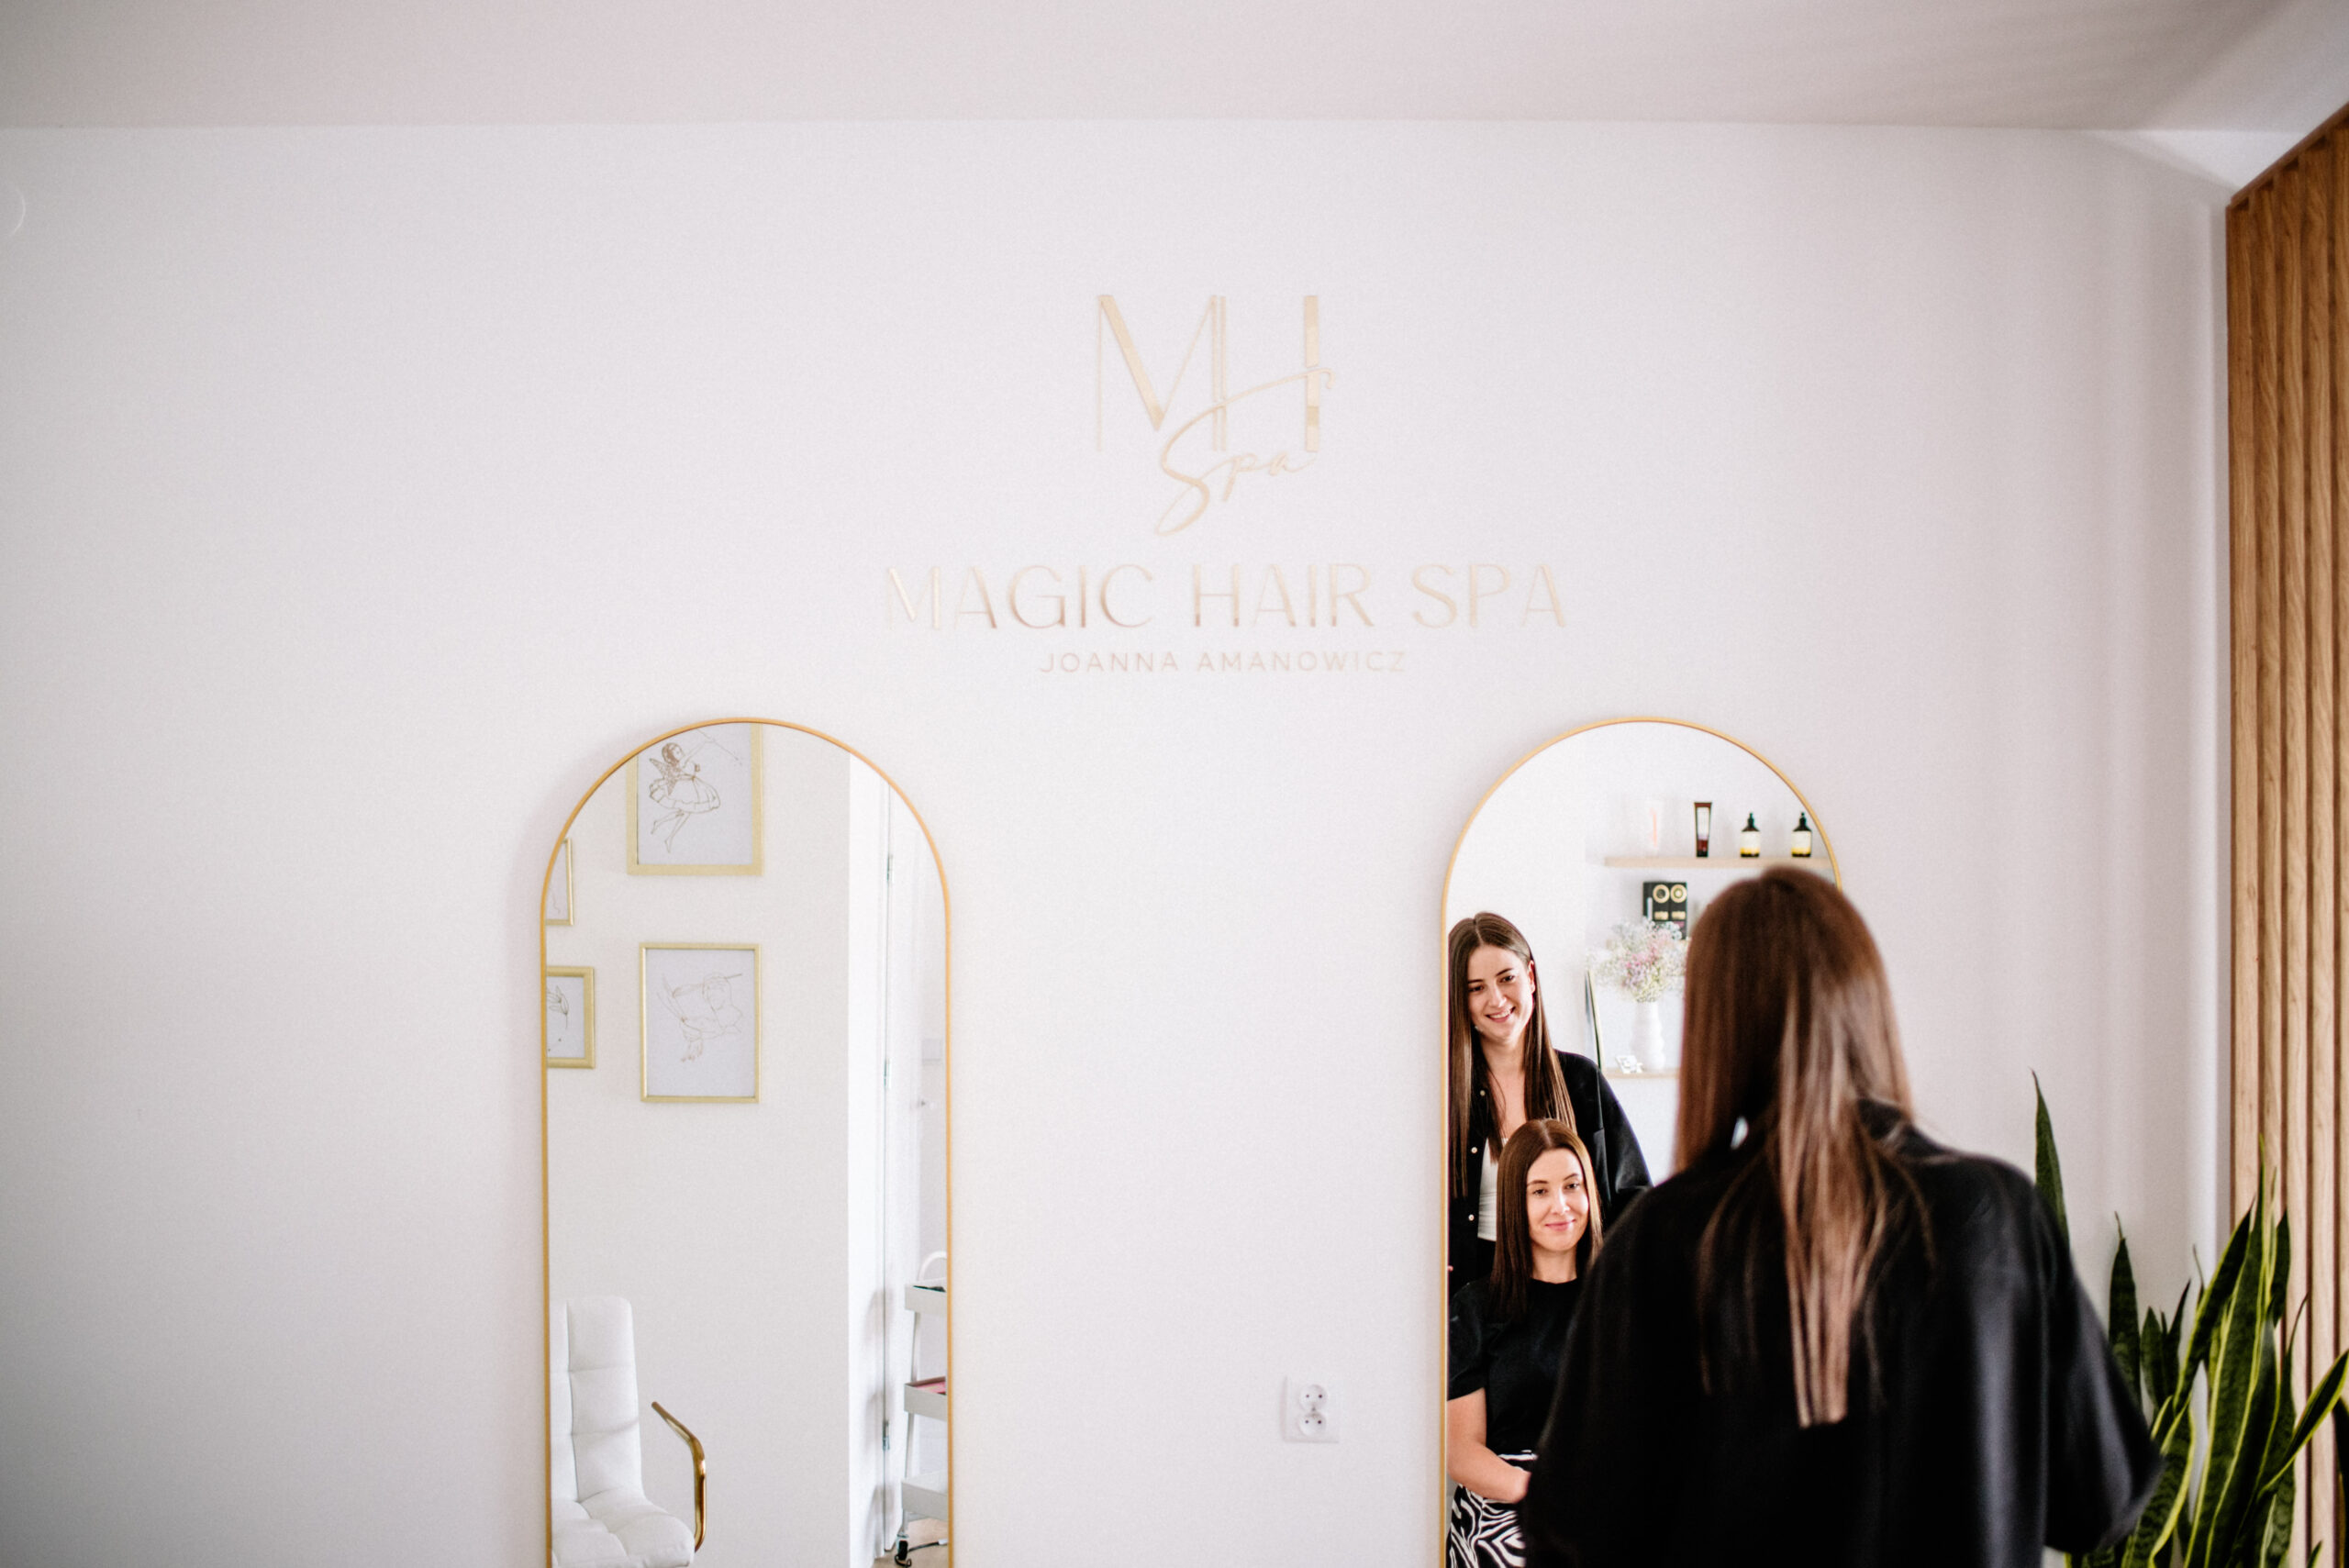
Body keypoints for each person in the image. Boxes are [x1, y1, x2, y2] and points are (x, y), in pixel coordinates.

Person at [1518, 869, 2159, 1567]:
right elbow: (2101, 1502)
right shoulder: (1999, 1215)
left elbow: (1574, 1535)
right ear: (1864, 1003)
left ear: (1716, 1030)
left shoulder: (1661, 1239)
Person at [1449, 913, 1650, 1287]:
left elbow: (1633, 1197)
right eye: (1476, 988)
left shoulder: (1581, 1080)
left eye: (1506, 978)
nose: (1496, 999)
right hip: (1475, 1294)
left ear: (1530, 976)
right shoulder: (1443, 1094)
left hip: (1575, 1289)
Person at [1448, 1119, 1604, 1568]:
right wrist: (1540, 1493)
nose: (1561, 1205)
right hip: (1505, 1499)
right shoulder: (1477, 1306)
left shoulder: (1620, 1301)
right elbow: (1461, 1451)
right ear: (1514, 1202)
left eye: (1572, 1186)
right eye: (1539, 1191)